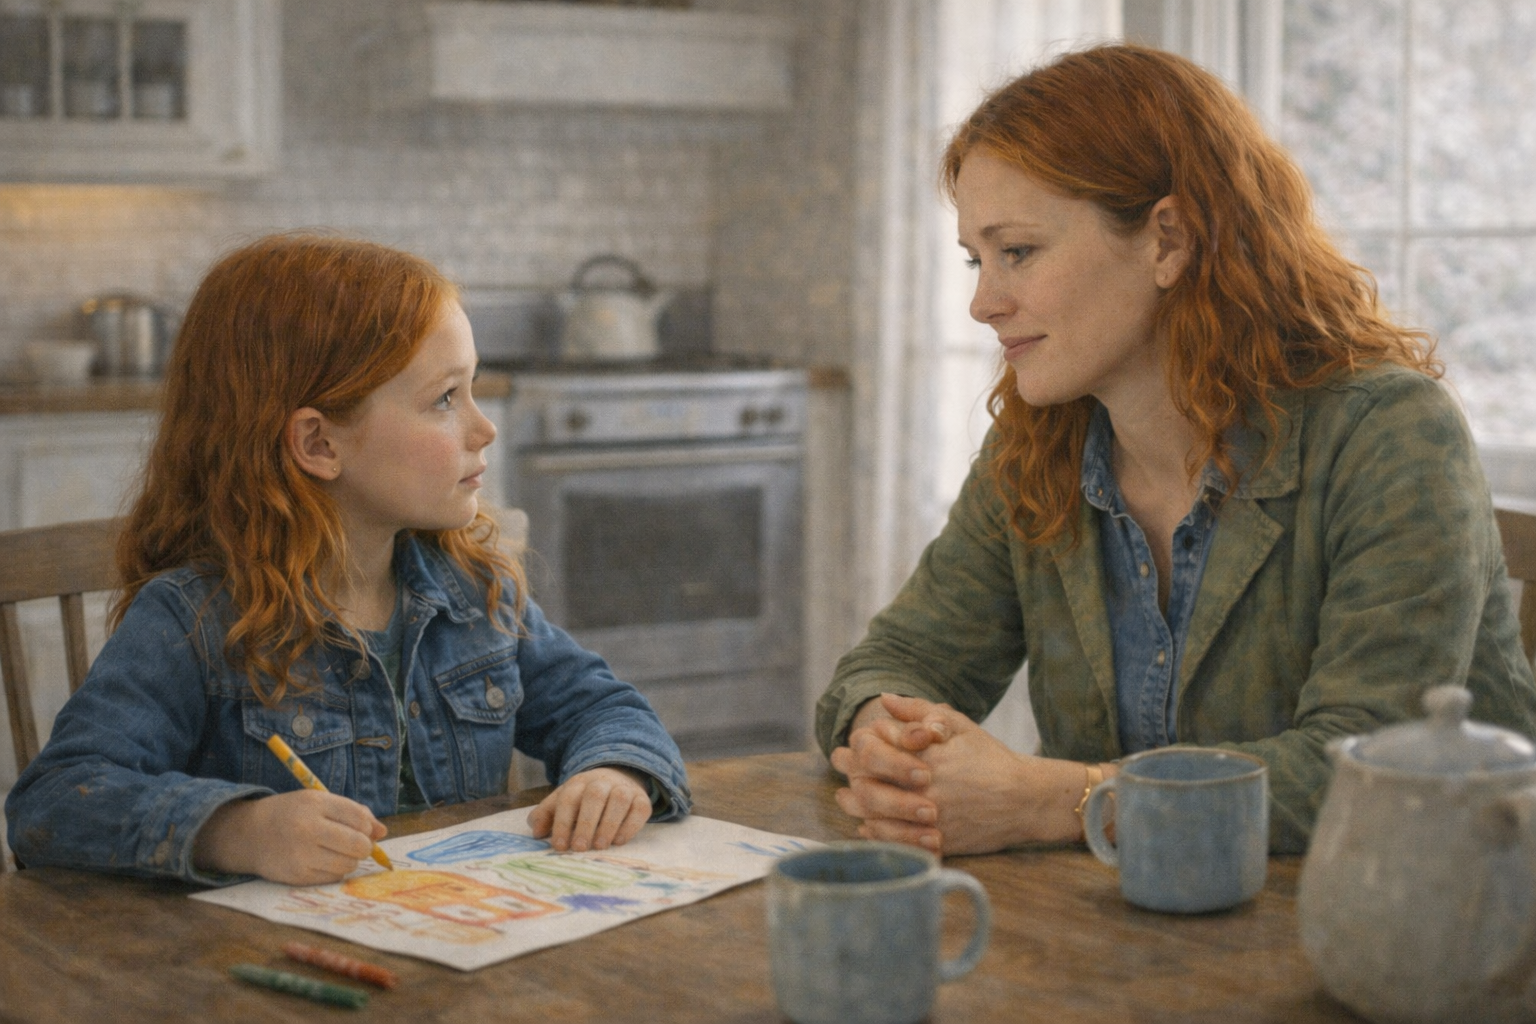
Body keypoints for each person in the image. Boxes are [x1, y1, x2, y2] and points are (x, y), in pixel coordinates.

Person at [817, 44, 1536, 856]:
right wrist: (888, 738)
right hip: (1123, 917)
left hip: (1419, 912)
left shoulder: (1390, 433)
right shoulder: (1039, 442)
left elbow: (1366, 770)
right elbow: (900, 660)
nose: (983, 302)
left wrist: (1063, 802)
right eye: (975, 260)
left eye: (1017, 251)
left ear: (1168, 240)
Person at [5, 234, 691, 885]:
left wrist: (615, 772)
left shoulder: (476, 593)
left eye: (473, 390)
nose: (484, 428)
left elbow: (605, 709)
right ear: (319, 444)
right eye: (445, 399)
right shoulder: (197, 622)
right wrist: (236, 831)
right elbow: (55, 801)